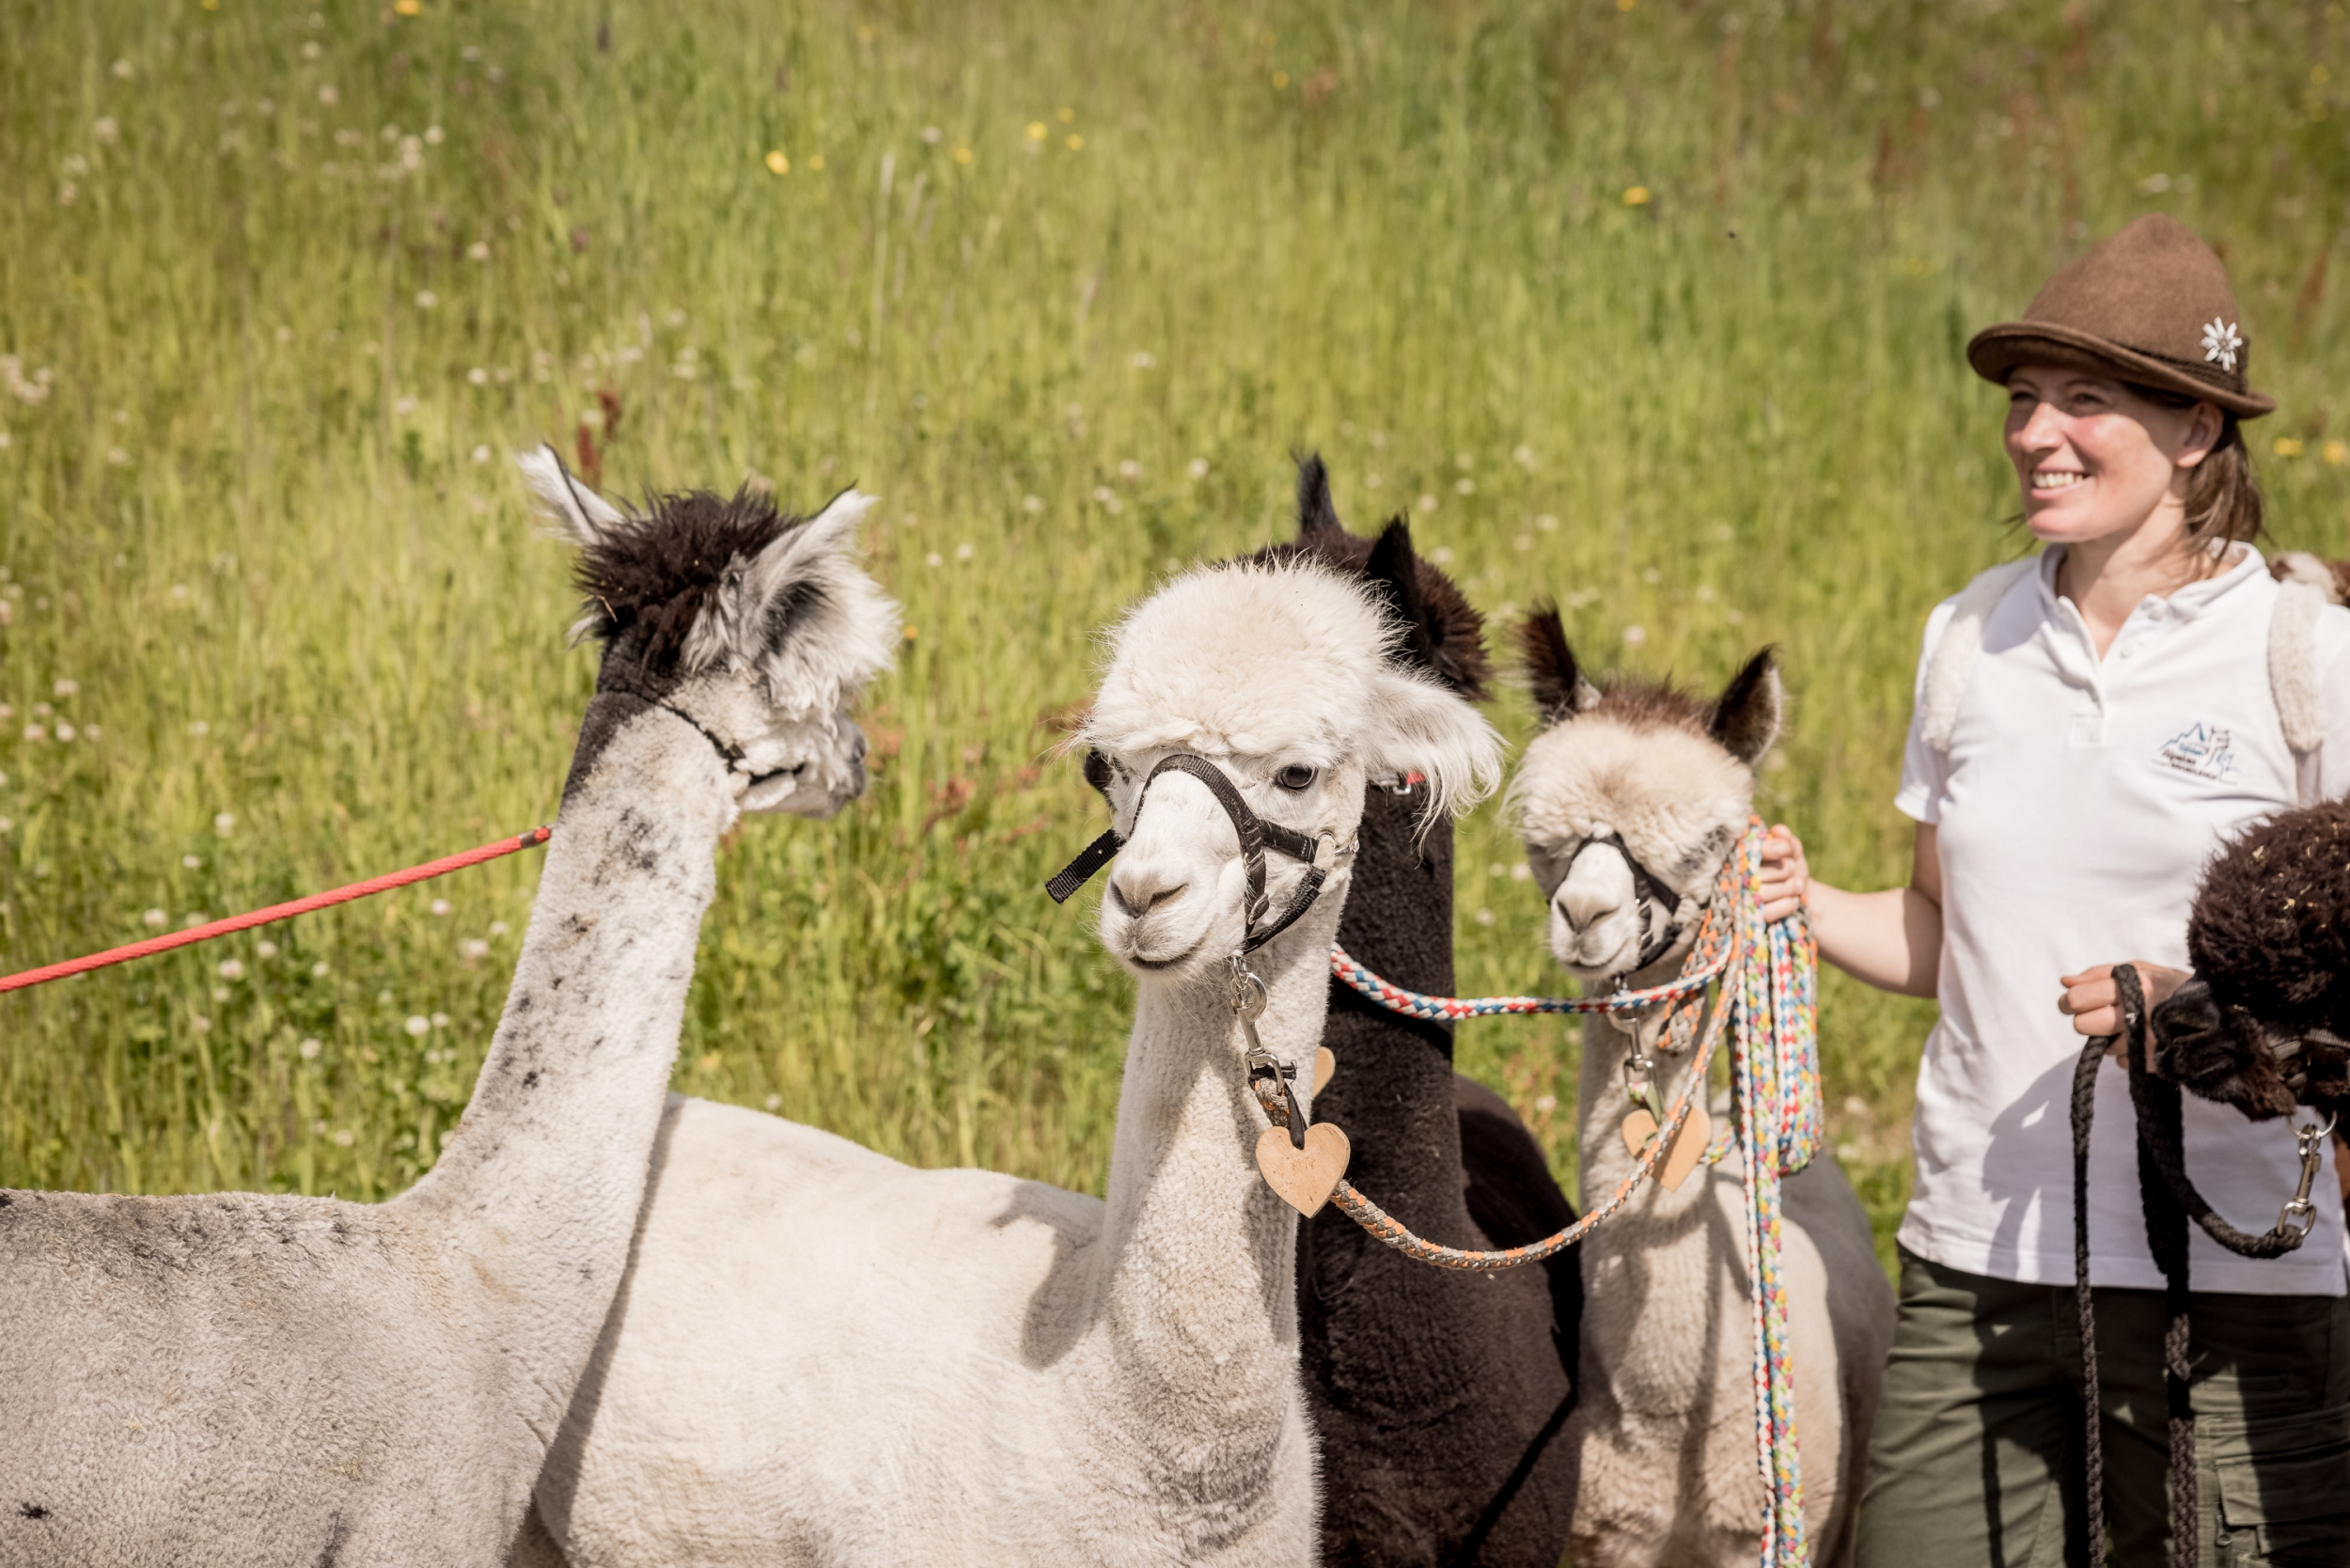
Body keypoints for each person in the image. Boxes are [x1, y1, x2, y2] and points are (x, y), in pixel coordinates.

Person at [1762, 215, 2350, 1566]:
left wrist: (2201, 1007)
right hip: (1973, 1271)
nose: (2036, 433)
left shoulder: (2307, 656)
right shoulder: (1969, 634)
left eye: (2086, 399)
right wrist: (1797, 897)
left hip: (2234, 1280)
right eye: (2025, 398)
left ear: (2197, 428)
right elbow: (1943, 932)